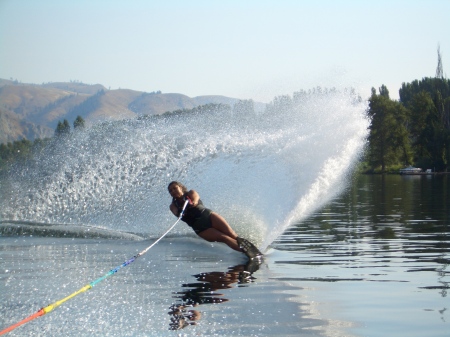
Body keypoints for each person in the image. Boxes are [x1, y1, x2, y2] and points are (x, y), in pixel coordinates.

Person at [168, 181, 262, 259]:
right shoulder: (173, 206)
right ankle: (249, 255)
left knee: (233, 235)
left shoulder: (191, 193)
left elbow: (196, 200)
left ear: (180, 187)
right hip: (200, 228)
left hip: (208, 216)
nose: (173, 191)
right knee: (224, 238)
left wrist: (192, 203)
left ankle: (252, 251)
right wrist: (181, 211)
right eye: (170, 191)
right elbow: (176, 213)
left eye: (174, 188)